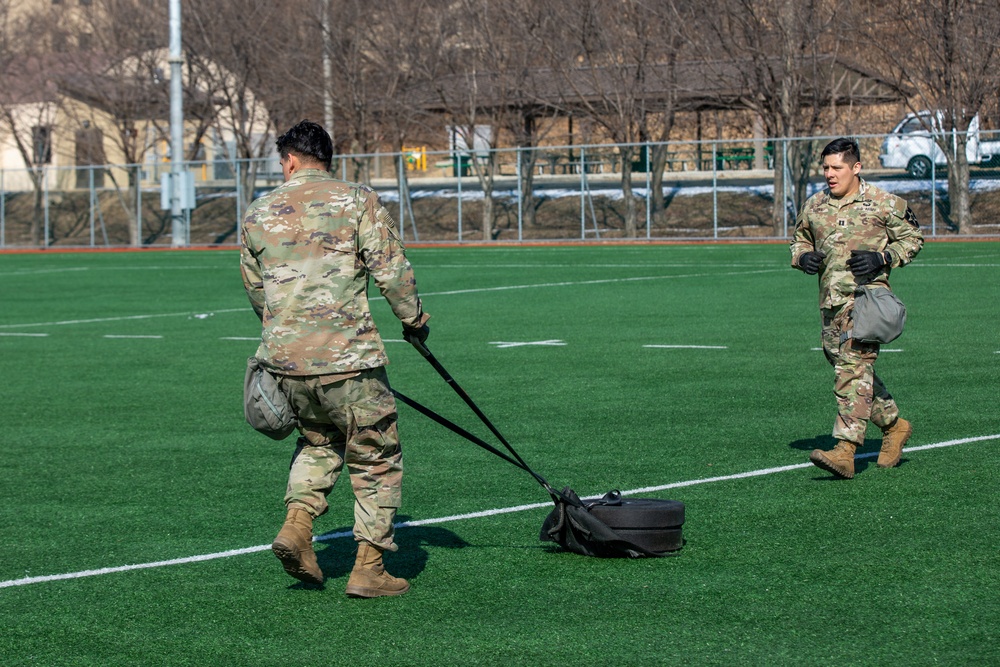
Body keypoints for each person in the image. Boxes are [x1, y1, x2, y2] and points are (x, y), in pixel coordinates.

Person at [240, 120, 430, 597]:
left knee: (319, 444)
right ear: (327, 158)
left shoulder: (258, 211)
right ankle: (368, 569)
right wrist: (414, 321)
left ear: (289, 160)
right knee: (375, 456)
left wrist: (289, 334)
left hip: (285, 363)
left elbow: (256, 289)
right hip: (349, 359)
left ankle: (297, 527)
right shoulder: (357, 199)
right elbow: (391, 267)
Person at [790, 137, 923, 479]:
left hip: (866, 300)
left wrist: (883, 257)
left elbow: (913, 237)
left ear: (856, 168)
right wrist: (803, 257)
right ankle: (894, 425)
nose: (830, 175)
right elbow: (799, 238)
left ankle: (846, 450)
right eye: (826, 168)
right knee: (848, 365)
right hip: (830, 302)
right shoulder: (815, 204)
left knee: (850, 368)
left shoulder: (883, 202)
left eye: (837, 168)